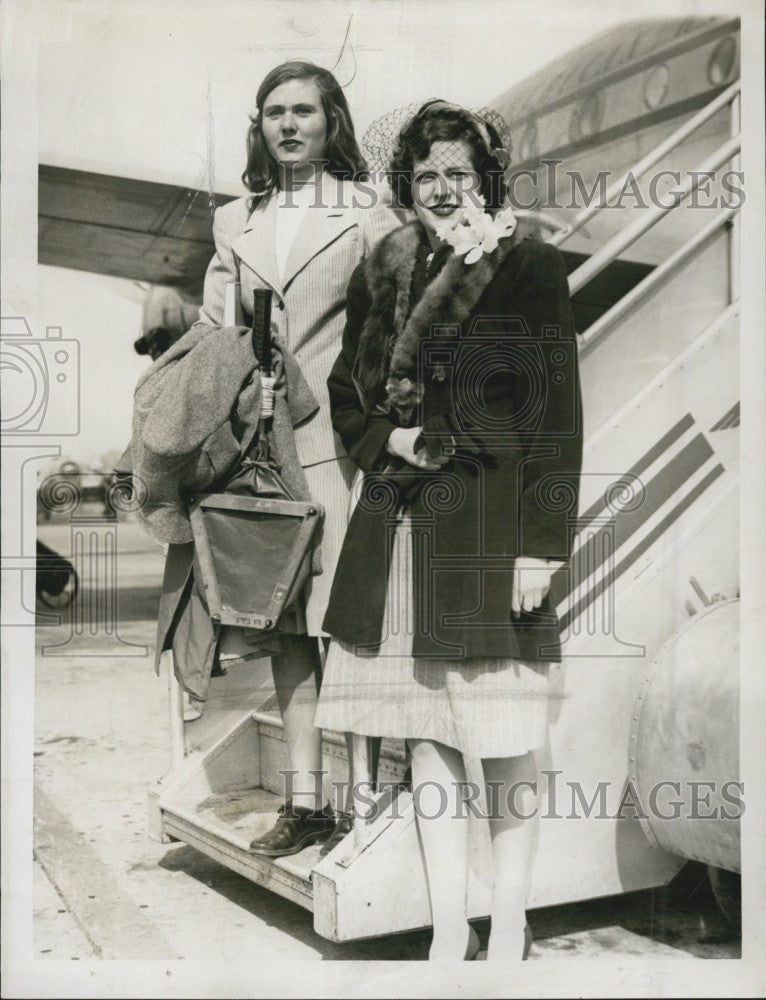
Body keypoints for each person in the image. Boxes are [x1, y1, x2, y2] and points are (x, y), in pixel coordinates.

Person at [315, 100, 582, 959]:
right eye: (424, 174)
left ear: (486, 180)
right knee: (426, 737)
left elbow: (556, 417)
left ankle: (507, 920)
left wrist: (542, 545)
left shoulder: (528, 266)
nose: (439, 188)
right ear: (408, 184)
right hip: (396, 527)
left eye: (456, 173)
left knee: (502, 742)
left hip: (487, 526)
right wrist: (387, 436)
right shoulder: (385, 266)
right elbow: (345, 390)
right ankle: (445, 926)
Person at [161, 59, 399, 855]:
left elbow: (400, 326)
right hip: (264, 450)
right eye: (273, 113)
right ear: (259, 127)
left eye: (303, 110)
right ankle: (307, 802)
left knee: (352, 625)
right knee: (290, 626)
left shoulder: (372, 214)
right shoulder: (236, 221)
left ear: (332, 119)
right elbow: (216, 333)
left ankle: (366, 800)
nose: (289, 124)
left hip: (345, 442)